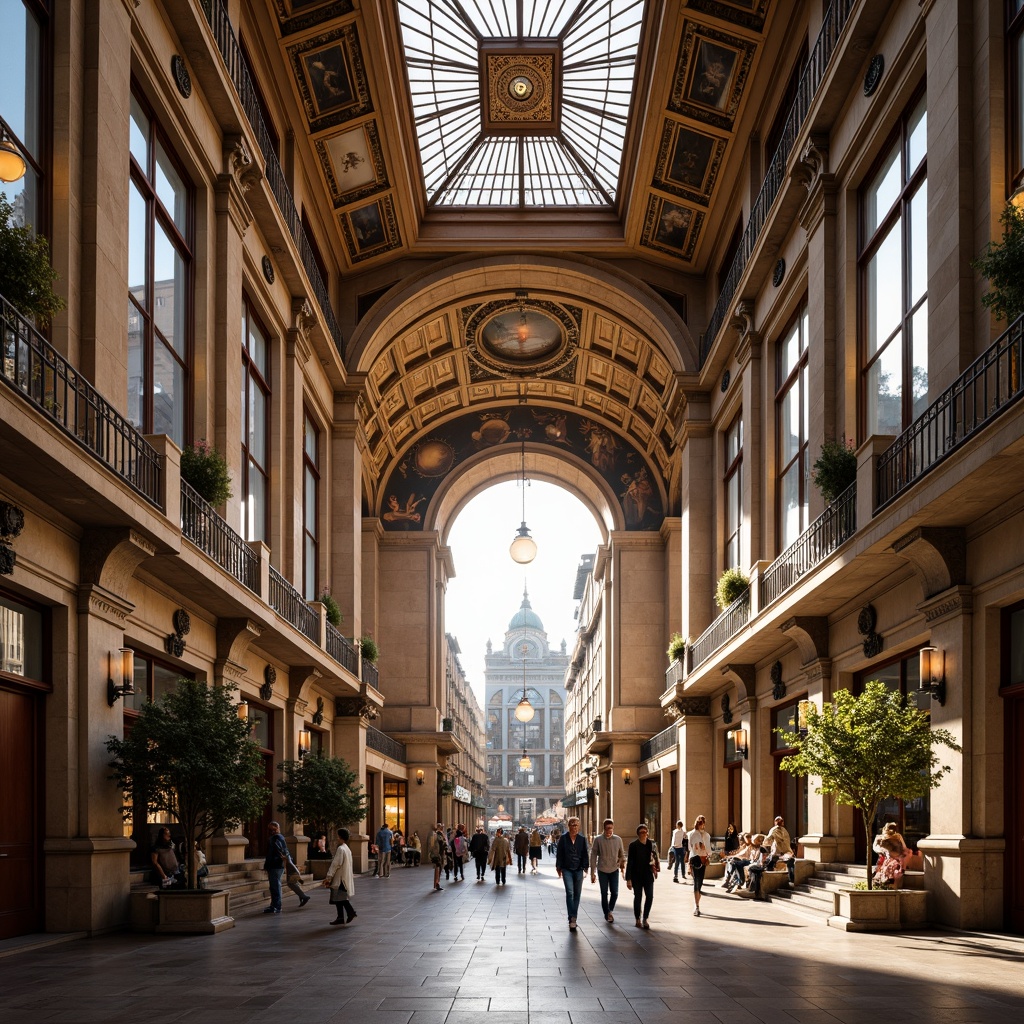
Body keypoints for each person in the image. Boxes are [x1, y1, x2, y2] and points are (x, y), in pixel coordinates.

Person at [263, 821, 310, 913]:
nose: (270, 831)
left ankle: (276, 906)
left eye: (272, 829)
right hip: (274, 865)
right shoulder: (276, 838)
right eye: (269, 829)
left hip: (275, 865)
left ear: (277, 829)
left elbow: (282, 852)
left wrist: (286, 861)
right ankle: (275, 905)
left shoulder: (276, 838)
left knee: (275, 886)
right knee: (274, 886)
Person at [555, 816, 589, 931]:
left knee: (577, 894)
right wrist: (558, 867)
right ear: (568, 826)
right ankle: (572, 918)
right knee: (570, 893)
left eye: (576, 825)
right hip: (567, 869)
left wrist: (586, 867)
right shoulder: (563, 839)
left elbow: (585, 853)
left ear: (579, 826)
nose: (574, 827)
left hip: (578, 869)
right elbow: (559, 853)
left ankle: (573, 916)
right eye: (572, 825)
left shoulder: (582, 839)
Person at [590, 817, 626, 923]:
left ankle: (610, 910)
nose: (609, 831)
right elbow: (593, 855)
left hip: (614, 869)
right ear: (604, 828)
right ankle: (607, 913)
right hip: (602, 870)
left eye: (611, 828)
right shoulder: (598, 840)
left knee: (614, 892)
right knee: (604, 893)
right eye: (607, 828)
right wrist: (593, 873)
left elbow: (622, 854)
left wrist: (621, 862)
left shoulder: (618, 839)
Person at [625, 823, 659, 929]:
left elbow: (654, 857)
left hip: (648, 875)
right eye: (642, 832)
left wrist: (655, 868)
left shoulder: (651, 844)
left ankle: (645, 918)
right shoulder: (633, 845)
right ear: (638, 834)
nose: (644, 834)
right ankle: (637, 919)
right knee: (638, 897)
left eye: (645, 832)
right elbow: (630, 862)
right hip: (636, 876)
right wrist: (628, 879)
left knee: (649, 896)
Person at [323, 827, 357, 926]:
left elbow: (336, 864)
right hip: (344, 877)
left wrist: (329, 876)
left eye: (338, 836)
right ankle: (341, 917)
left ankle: (350, 913)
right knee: (339, 898)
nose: (337, 838)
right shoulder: (347, 848)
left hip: (340, 878)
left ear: (340, 836)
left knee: (341, 898)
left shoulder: (341, 848)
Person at [687, 814, 712, 917]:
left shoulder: (706, 835)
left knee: (700, 883)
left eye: (703, 822)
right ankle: (697, 906)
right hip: (694, 860)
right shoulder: (692, 834)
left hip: (703, 860)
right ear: (696, 823)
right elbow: (690, 849)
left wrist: (706, 854)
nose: (701, 825)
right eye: (699, 822)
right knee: (696, 883)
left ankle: (696, 902)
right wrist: (689, 863)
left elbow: (709, 850)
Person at [873, 822, 912, 888]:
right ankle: (884, 884)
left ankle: (891, 885)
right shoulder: (881, 838)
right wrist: (881, 850)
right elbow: (875, 848)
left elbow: (904, 848)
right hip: (888, 859)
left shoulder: (898, 837)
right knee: (884, 867)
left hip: (897, 860)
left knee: (891, 868)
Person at [736, 833, 770, 900]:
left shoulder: (763, 848)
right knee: (752, 868)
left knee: (753, 869)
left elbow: (763, 860)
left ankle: (754, 890)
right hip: (758, 863)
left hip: (762, 864)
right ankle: (752, 889)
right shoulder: (758, 848)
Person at [763, 815, 795, 884]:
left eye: (781, 821)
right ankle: (769, 878)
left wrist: (789, 852)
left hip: (786, 852)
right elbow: (768, 840)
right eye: (778, 821)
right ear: (775, 822)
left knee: (791, 860)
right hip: (776, 852)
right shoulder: (774, 830)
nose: (779, 822)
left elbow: (786, 842)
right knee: (771, 860)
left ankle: (791, 878)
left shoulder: (784, 830)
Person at [429, 823, 447, 891]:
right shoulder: (435, 835)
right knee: (438, 869)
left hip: (440, 854)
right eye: (441, 827)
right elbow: (433, 846)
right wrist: (434, 854)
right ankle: (437, 883)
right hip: (438, 854)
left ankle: (437, 883)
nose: (442, 828)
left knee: (439, 869)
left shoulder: (440, 835)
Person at [670, 819, 689, 884]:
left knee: (682, 862)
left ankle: (683, 874)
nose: (677, 826)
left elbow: (686, 838)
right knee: (677, 861)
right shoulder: (675, 831)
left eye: (677, 825)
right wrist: (672, 846)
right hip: (676, 848)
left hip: (681, 848)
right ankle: (676, 875)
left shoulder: (683, 832)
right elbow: (673, 839)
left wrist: (685, 835)